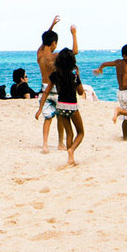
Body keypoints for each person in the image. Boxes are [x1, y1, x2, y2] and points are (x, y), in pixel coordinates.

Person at [35, 47, 85, 165]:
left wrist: (40, 108)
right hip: (72, 106)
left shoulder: (55, 75)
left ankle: (70, 158)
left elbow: (46, 92)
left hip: (60, 106)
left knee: (69, 133)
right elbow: (81, 92)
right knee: (81, 133)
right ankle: (71, 150)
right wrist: (78, 76)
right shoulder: (74, 76)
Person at [36, 16, 78, 153]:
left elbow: (44, 40)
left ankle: (45, 144)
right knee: (61, 117)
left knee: (47, 119)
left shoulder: (39, 55)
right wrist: (74, 34)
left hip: (44, 88)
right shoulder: (55, 56)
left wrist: (51, 26)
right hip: (57, 89)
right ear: (54, 43)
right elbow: (74, 52)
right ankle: (60, 143)